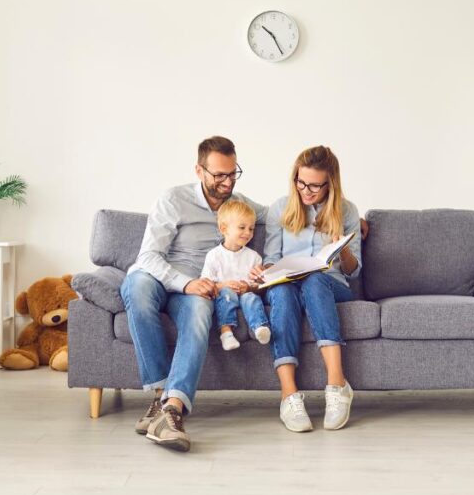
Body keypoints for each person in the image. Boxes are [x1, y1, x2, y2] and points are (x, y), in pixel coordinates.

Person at [120, 136, 264, 452]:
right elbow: (147, 257)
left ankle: (171, 410)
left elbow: (284, 215)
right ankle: (160, 396)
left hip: (199, 289)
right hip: (162, 278)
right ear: (199, 170)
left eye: (233, 173)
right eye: (219, 175)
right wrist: (184, 282)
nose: (227, 182)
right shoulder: (173, 199)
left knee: (202, 311)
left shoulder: (238, 204)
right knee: (138, 287)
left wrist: (345, 220)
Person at [253, 145, 362, 432]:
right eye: (301, 183)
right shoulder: (280, 208)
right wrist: (266, 271)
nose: (306, 190)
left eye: (315, 186)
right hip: (289, 282)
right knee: (282, 292)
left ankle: (337, 384)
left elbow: (354, 271)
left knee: (314, 280)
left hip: (330, 284)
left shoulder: (347, 211)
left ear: (331, 184)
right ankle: (289, 395)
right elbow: (272, 259)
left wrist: (344, 250)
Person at [200, 200, 271, 351]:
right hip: (225, 294)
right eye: (242, 227)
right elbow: (205, 283)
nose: (248, 233)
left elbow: (259, 286)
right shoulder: (214, 255)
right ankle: (226, 333)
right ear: (224, 228)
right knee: (226, 294)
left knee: (251, 297)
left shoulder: (254, 257)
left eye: (251, 229)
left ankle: (259, 328)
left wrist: (251, 286)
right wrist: (223, 285)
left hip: (245, 294)